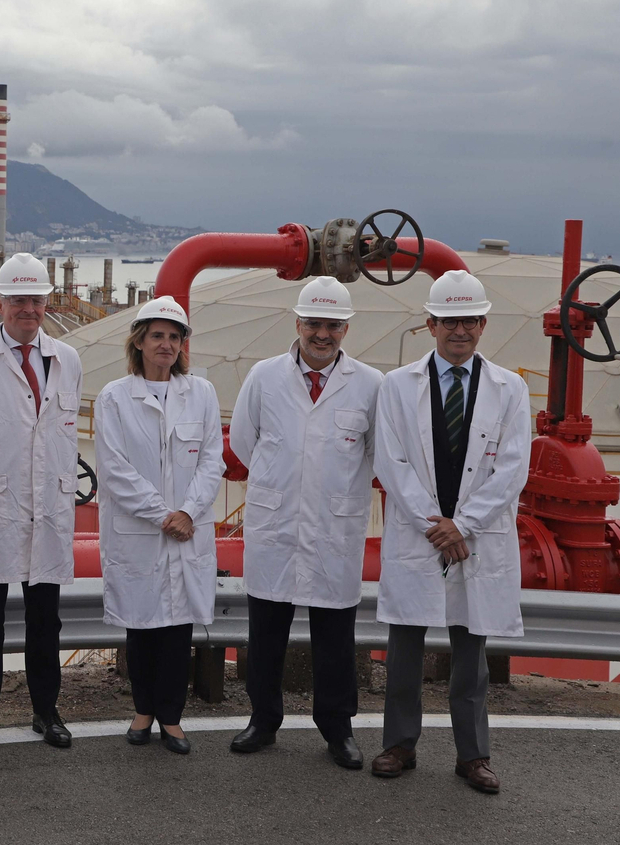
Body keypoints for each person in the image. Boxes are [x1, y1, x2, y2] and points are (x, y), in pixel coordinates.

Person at [372, 270, 529, 793]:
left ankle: (473, 756)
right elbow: (390, 461)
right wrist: (435, 525)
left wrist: (462, 524)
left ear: (482, 325)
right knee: (405, 650)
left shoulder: (511, 389)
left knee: (470, 658)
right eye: (448, 321)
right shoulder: (396, 387)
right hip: (422, 534)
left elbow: (512, 469)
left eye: (468, 320)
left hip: (474, 537)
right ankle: (399, 744)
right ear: (430, 324)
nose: (458, 330)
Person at [227, 276, 384, 769]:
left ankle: (337, 729)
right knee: (266, 632)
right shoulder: (264, 376)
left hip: (334, 529)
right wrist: (284, 483)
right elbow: (242, 442)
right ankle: (263, 720)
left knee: (335, 637)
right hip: (277, 526)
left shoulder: (371, 385)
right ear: (297, 323)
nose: (323, 334)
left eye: (333, 325)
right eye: (313, 323)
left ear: (346, 328)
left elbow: (378, 455)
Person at [0, 253, 82, 749]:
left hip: (47, 507)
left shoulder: (66, 359)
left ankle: (47, 710)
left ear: (46, 302)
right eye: (18, 300)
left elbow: (57, 434)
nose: (28, 309)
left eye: (36, 300)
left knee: (45, 617)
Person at [93, 296, 224, 756]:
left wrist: (188, 511)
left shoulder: (201, 393)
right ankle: (142, 711)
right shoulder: (114, 397)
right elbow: (113, 468)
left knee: (178, 630)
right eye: (157, 336)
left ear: (182, 344)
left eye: (174, 337)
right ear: (139, 342)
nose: (166, 344)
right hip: (141, 533)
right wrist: (162, 514)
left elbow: (212, 460)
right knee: (142, 628)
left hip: (187, 529)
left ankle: (172, 718)